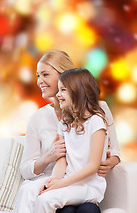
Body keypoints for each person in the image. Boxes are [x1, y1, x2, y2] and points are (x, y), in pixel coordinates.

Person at [13, 50, 120, 213]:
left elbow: (114, 151)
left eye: (45, 75)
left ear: (66, 76)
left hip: (83, 184)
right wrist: (48, 158)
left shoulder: (99, 112)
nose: (39, 81)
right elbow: (26, 169)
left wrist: (107, 163)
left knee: (88, 210)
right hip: (57, 182)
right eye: (37, 76)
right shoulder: (44, 120)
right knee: (40, 197)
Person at [36, 68, 108, 212]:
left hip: (88, 187)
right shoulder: (64, 123)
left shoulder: (96, 122)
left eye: (63, 90)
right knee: (38, 193)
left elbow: (93, 166)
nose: (58, 95)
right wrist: (53, 180)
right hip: (68, 184)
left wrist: (61, 184)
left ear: (77, 92)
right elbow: (62, 161)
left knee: (45, 200)